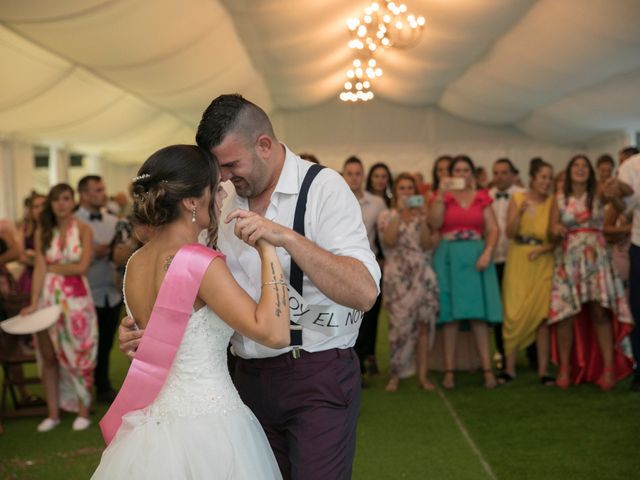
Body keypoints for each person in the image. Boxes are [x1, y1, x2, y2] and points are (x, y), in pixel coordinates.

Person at [119, 94, 380, 480]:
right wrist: (150, 330)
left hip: (314, 374)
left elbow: (365, 292)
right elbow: (190, 284)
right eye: (216, 169)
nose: (223, 177)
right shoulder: (216, 203)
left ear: (264, 145)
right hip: (241, 380)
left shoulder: (324, 188)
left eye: (230, 165)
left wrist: (286, 240)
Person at [93, 145, 285, 479]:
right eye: (216, 188)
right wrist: (269, 249)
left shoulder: (136, 262)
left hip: (150, 429)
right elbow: (274, 332)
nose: (222, 197)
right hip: (210, 425)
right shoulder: (199, 263)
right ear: (192, 201)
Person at [548, 155, 634, 390]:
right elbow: (550, 232)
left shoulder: (599, 193)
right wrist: (556, 229)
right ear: (568, 170)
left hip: (596, 258)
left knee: (599, 312)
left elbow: (623, 203)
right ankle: (565, 368)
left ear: (590, 171)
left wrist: (615, 190)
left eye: (584, 166)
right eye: (575, 165)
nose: (580, 169)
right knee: (565, 314)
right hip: (570, 259)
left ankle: (608, 369)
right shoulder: (558, 198)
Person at [21, 183, 98, 432]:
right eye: (56, 200)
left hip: (77, 302)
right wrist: (33, 302)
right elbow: (39, 270)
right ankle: (53, 414)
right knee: (49, 356)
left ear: (73, 201)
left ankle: (83, 410)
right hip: (47, 299)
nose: (61, 204)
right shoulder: (45, 230)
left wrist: (51, 268)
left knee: (80, 354)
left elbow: (81, 267)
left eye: (65, 198)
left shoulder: (84, 229)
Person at [430, 155, 501, 389]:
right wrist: (440, 195)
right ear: (450, 174)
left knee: (478, 315)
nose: (462, 174)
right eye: (457, 170)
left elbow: (493, 229)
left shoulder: (482, 197)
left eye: (466, 170)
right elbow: (435, 224)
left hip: (476, 257)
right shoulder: (443, 197)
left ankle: (487, 369)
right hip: (448, 257)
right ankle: (449, 371)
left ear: (472, 173)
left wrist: (487, 252)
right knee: (450, 315)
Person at [377, 173, 438, 392]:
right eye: (402, 188)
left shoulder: (423, 214)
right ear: (396, 192)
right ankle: (395, 374)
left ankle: (422, 375)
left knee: (422, 326)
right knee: (398, 327)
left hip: (421, 275)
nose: (406, 192)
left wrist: (421, 220)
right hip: (397, 278)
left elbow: (428, 244)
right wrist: (402, 213)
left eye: (410, 188)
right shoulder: (386, 215)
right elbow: (389, 240)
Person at [500, 159, 555, 385]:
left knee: (541, 316)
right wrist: (519, 214)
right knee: (513, 313)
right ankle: (509, 368)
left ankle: (543, 371)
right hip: (518, 258)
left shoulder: (553, 202)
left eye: (550, 178)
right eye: (543, 177)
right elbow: (510, 232)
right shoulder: (518, 198)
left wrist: (542, 249)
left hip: (543, 261)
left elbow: (556, 237)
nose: (547, 182)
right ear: (532, 178)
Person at [75, 175, 122, 403]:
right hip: (83, 293)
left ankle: (102, 387)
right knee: (82, 345)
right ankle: (79, 392)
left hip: (111, 293)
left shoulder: (113, 221)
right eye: (97, 190)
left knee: (105, 343)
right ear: (83, 194)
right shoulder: (72, 222)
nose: (103, 193)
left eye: (103, 189)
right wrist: (92, 253)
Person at [342, 156, 387, 382]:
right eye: (349, 173)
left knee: (370, 317)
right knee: (348, 316)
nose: (354, 177)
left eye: (358, 173)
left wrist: (381, 257)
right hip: (343, 267)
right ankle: (354, 364)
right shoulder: (336, 198)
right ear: (343, 174)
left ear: (363, 175)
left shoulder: (377, 202)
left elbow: (383, 234)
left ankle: (366, 357)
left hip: (370, 266)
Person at [607, 147, 640, 391]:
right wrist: (612, 194)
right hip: (639, 245)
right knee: (638, 310)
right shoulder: (632, 166)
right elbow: (622, 207)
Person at [488, 158, 525, 370]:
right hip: (495, 260)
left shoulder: (523, 194)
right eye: (497, 172)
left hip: (517, 260)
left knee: (520, 306)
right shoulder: (487, 196)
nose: (500, 176)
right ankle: (502, 353)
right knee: (498, 309)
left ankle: (532, 353)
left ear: (512, 174)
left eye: (504, 172)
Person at [16, 192, 46, 296]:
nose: (40, 210)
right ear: (31, 210)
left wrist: (33, 255)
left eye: (43, 205)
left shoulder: (56, 230)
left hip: (52, 276)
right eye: (36, 207)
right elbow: (20, 257)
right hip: (30, 277)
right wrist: (42, 262)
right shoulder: (25, 229)